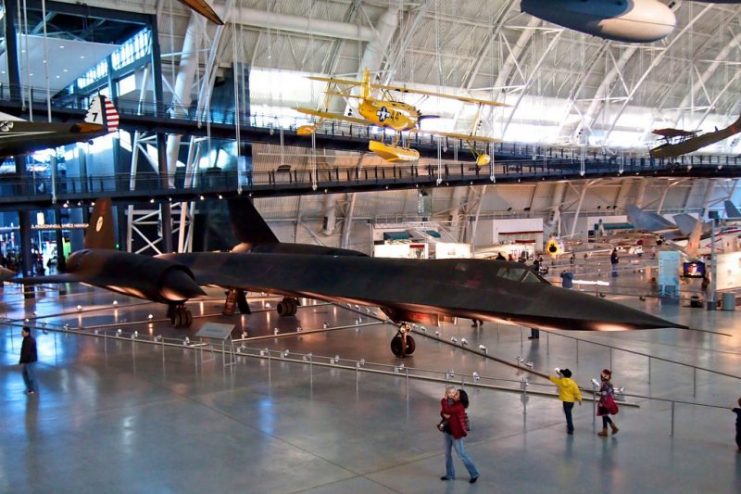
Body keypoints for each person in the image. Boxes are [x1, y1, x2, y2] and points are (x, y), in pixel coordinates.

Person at [439, 386, 479, 483]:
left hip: (456, 434)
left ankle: (474, 473)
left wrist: (444, 399)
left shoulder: (459, 406)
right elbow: (443, 412)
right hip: (447, 432)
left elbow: (446, 411)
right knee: (447, 454)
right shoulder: (452, 403)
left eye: (456, 394)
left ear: (460, 398)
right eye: (453, 393)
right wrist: (445, 412)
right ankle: (450, 475)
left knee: (462, 454)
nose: (453, 394)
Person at [549, 368, 582, 434]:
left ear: (563, 375)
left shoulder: (561, 381)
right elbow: (576, 391)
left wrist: (549, 377)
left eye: (561, 374)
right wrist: (579, 399)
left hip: (565, 401)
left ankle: (570, 428)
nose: (560, 375)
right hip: (571, 401)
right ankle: (569, 426)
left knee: (568, 415)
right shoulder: (573, 383)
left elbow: (554, 379)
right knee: (568, 413)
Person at [596, 369, 619, 437]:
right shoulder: (610, 384)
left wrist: (601, 402)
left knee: (604, 415)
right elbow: (612, 393)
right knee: (604, 415)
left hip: (605, 401)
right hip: (609, 400)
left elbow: (604, 394)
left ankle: (613, 427)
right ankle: (605, 430)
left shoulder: (604, 384)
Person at [19, 326, 39, 394]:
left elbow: (26, 352)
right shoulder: (26, 339)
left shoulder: (29, 341)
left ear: (27, 332)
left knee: (31, 375)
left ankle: (33, 389)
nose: (21, 333)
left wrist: (22, 360)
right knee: (25, 374)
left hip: (30, 361)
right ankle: (29, 388)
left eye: (23, 332)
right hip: (27, 361)